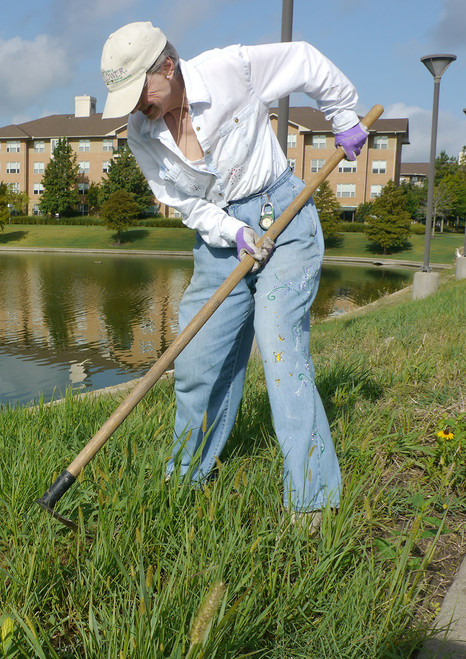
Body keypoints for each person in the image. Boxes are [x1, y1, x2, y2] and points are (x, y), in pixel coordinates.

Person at [101, 21, 368, 533]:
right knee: (197, 358)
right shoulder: (141, 132)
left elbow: (305, 59)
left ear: (168, 67)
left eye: (140, 93)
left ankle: (313, 500)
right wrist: (232, 231)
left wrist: (343, 114)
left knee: (279, 345)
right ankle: (184, 481)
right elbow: (183, 203)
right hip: (221, 240)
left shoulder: (229, 70)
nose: (136, 106)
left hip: (282, 217)